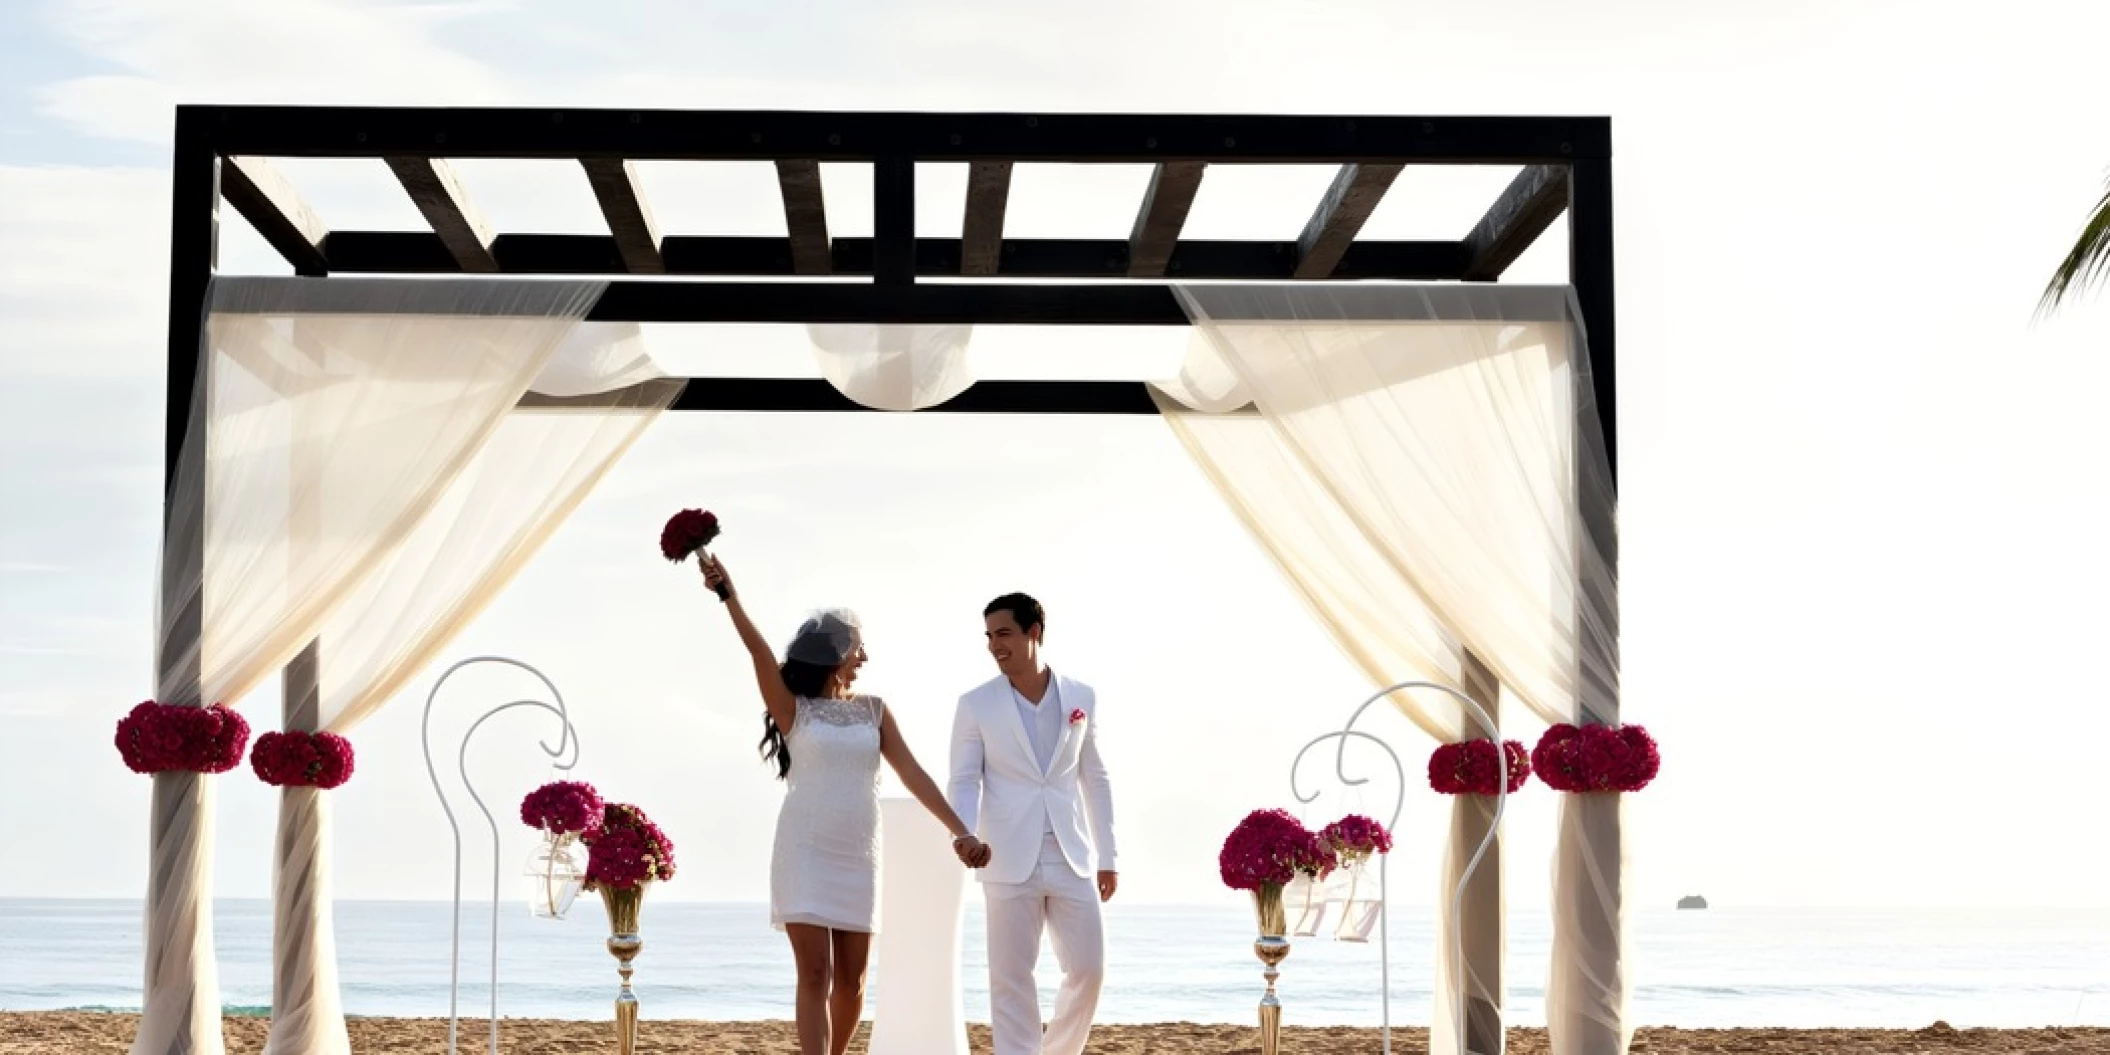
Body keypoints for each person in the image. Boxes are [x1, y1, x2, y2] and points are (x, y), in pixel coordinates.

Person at [700, 556, 989, 1055]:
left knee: (852, 981)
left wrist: (959, 831)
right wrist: (729, 595)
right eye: (858, 646)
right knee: (814, 973)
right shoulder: (793, 708)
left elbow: (914, 774)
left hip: (858, 856)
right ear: (835, 651)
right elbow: (757, 650)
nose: (865, 657)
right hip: (805, 851)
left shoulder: (874, 710)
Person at [947, 592, 1117, 1055]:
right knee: (1010, 979)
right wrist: (963, 833)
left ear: (1034, 632)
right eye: (989, 636)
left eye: (1003, 633)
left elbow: (1095, 777)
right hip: (1004, 854)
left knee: (1088, 970)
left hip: (1071, 854)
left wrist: (1108, 857)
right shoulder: (975, 704)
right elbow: (963, 780)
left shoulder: (1081, 696)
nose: (993, 645)